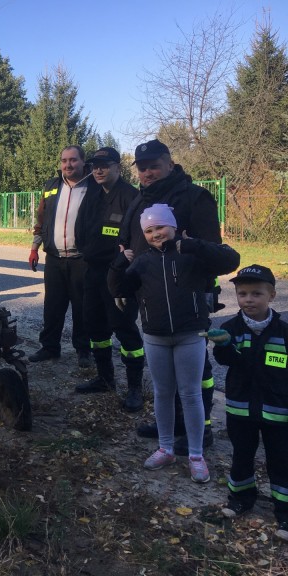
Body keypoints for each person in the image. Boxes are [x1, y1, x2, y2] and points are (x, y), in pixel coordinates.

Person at [108, 203, 239, 483]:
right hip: (155, 337)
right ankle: (165, 448)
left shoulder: (191, 254)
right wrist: (119, 263)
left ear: (174, 227)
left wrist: (196, 245)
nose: (157, 234)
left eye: (161, 227)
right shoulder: (142, 262)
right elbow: (119, 288)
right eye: (150, 230)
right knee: (162, 393)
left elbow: (231, 260)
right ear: (144, 234)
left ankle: (195, 455)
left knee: (190, 394)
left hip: (190, 334)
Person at [118, 139, 222, 454]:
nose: (148, 172)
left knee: (197, 373)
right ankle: (175, 424)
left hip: (189, 297)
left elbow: (214, 250)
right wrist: (118, 285)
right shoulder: (139, 200)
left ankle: (201, 431)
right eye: (143, 167)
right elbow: (125, 243)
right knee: (165, 372)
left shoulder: (193, 197)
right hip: (151, 294)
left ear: (169, 163)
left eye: (154, 166)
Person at [205, 265, 288, 541]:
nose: (248, 299)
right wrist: (224, 345)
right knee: (242, 455)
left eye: (256, 293)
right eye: (242, 294)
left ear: (272, 295)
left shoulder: (284, 332)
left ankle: (284, 512)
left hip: (279, 414)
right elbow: (226, 361)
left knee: (281, 460)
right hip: (240, 409)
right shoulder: (230, 327)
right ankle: (240, 498)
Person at [74, 147, 145, 411]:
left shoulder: (131, 197)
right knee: (94, 326)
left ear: (118, 167)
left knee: (123, 328)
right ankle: (105, 379)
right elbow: (81, 228)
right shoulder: (94, 195)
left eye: (104, 165)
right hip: (93, 272)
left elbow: (138, 241)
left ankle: (135, 388)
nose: (98, 170)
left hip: (120, 275)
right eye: (94, 166)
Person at [28, 145, 101, 368]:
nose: (68, 165)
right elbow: (41, 219)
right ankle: (50, 347)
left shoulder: (95, 187)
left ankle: (83, 350)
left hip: (82, 259)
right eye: (64, 161)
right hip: (54, 258)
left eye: (73, 160)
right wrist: (34, 247)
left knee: (82, 306)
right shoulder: (51, 186)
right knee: (52, 305)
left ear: (82, 162)